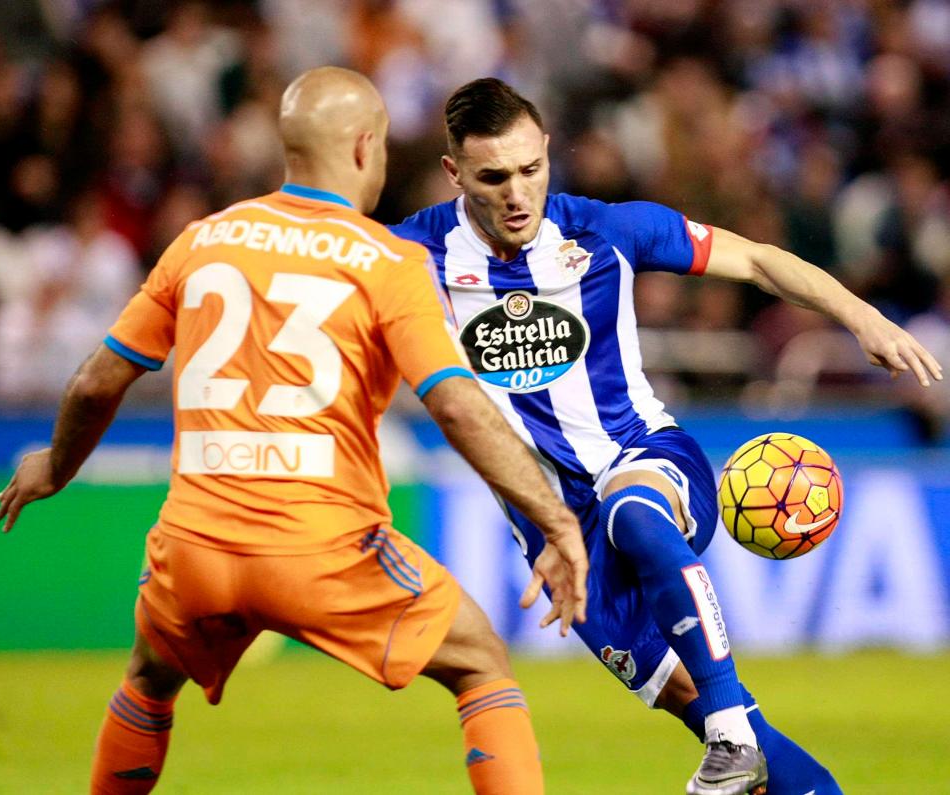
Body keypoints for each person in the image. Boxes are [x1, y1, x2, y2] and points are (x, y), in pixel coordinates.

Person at [0, 67, 589, 795]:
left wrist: (55, 466)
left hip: (197, 544)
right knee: (480, 664)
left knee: (148, 679)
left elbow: (96, 380)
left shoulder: (201, 241)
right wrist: (554, 516)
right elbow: (457, 405)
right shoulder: (389, 261)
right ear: (366, 148)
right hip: (322, 547)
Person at [391, 77, 943, 795]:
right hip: (555, 532)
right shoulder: (409, 256)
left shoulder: (605, 229)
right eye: (494, 176)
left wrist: (861, 316)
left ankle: (731, 740)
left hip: (646, 455)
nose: (517, 192)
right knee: (710, 709)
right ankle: (751, 748)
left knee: (634, 513)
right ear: (453, 171)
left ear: (548, 152)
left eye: (531, 168)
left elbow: (753, 258)